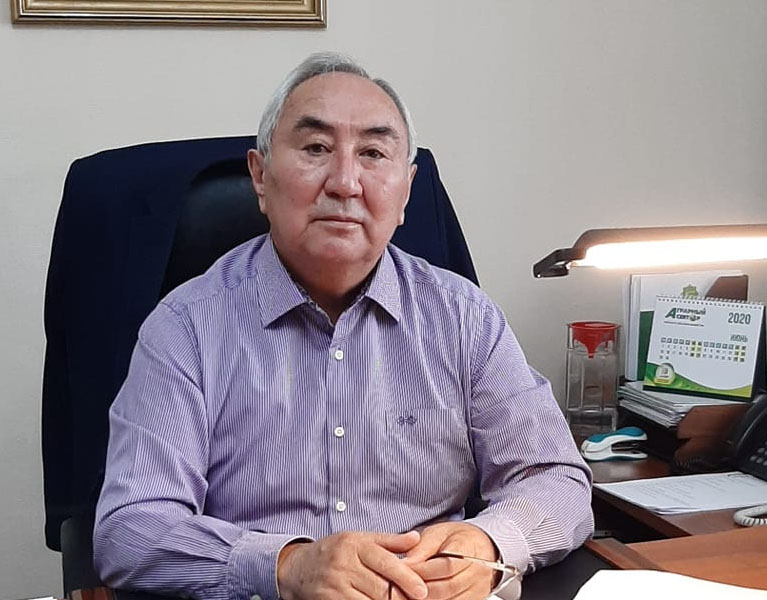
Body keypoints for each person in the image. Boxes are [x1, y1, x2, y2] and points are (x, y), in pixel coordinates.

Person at [93, 51, 593, 600]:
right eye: (316, 148)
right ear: (260, 177)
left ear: (406, 191)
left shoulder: (464, 318)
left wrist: (488, 544)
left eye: (373, 153)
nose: (346, 182)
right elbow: (131, 528)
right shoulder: (186, 327)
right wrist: (286, 565)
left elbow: (557, 479)